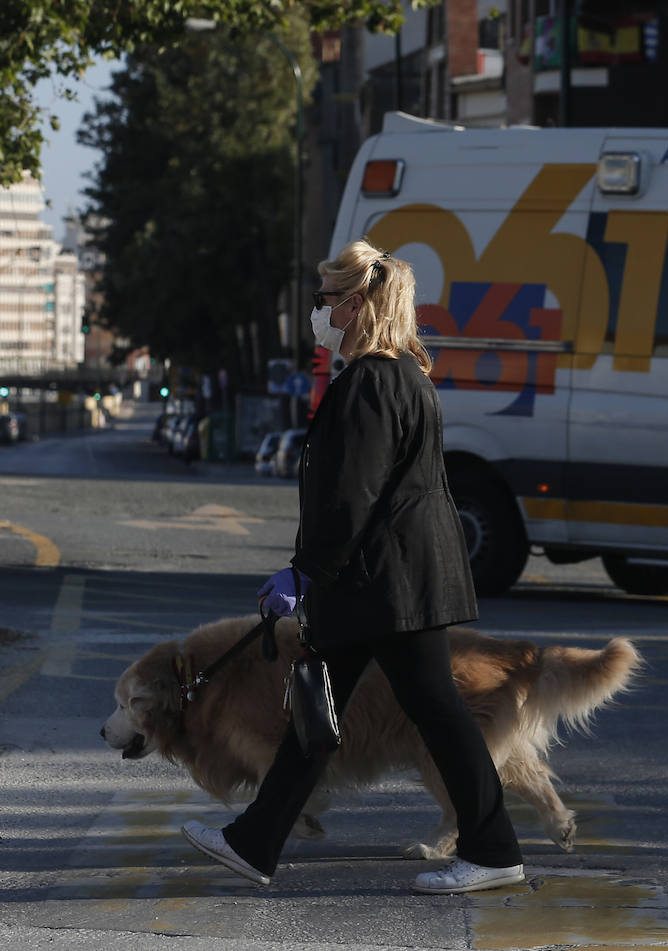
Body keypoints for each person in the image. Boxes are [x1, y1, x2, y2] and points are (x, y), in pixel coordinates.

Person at [181, 240, 524, 895]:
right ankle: (255, 841)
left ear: (358, 303)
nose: (320, 312)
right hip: (387, 582)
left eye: (327, 300)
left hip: (385, 584)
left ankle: (494, 847)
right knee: (322, 709)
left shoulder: (370, 382)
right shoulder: (403, 374)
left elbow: (352, 497)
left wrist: (303, 572)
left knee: (434, 712)